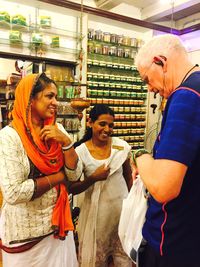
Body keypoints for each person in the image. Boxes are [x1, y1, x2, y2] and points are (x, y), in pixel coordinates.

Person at [0, 73, 82, 267]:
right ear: (30, 98)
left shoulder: (57, 130)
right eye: (49, 96)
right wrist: (58, 176)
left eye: (56, 96)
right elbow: (13, 192)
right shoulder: (9, 138)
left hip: (57, 229)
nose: (56, 102)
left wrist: (66, 143)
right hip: (25, 237)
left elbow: (75, 175)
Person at [133, 33, 200, 267]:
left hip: (174, 242)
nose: (150, 89)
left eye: (146, 79)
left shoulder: (186, 97)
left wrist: (140, 156)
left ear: (160, 61)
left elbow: (164, 187)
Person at [66, 104, 133, 267]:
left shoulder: (121, 147)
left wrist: (131, 204)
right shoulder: (80, 151)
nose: (107, 129)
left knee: (123, 257)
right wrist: (93, 178)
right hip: (96, 219)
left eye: (111, 125)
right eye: (102, 124)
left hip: (120, 213)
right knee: (97, 260)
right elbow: (72, 188)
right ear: (90, 122)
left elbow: (128, 175)